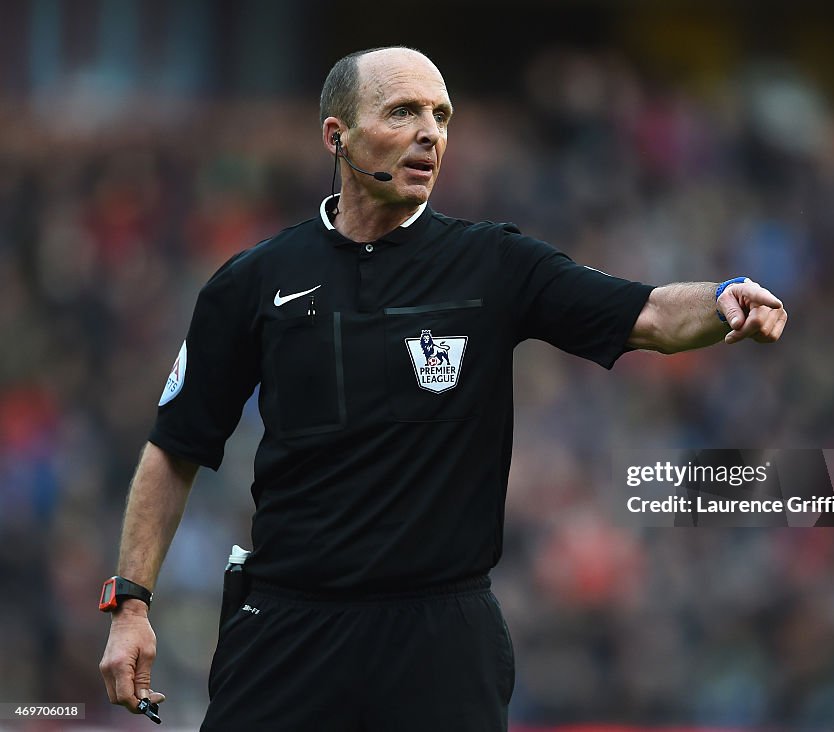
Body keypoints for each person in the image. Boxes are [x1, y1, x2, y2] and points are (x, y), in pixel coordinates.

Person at [99, 46, 787, 731]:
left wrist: (725, 294)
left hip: (441, 637)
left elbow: (650, 315)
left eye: (441, 114)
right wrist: (131, 605)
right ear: (336, 137)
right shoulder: (253, 281)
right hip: (288, 627)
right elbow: (175, 447)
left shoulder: (493, 263)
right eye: (402, 111)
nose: (430, 131)